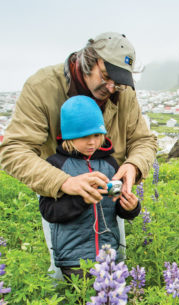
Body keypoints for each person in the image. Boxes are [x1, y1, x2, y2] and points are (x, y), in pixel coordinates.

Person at [0, 32, 157, 275]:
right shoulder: (43, 86)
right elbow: (13, 150)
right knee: (61, 273)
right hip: (59, 197)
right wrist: (64, 182)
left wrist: (134, 166)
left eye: (119, 81)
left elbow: (143, 140)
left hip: (107, 199)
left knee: (115, 266)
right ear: (87, 60)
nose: (112, 86)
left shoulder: (122, 91)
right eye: (106, 76)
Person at [39, 95, 141, 280]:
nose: (92, 142)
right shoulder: (56, 165)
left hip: (109, 255)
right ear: (69, 136)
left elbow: (115, 207)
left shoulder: (109, 164)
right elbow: (49, 212)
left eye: (97, 135)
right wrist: (81, 199)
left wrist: (130, 208)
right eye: (85, 137)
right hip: (74, 259)